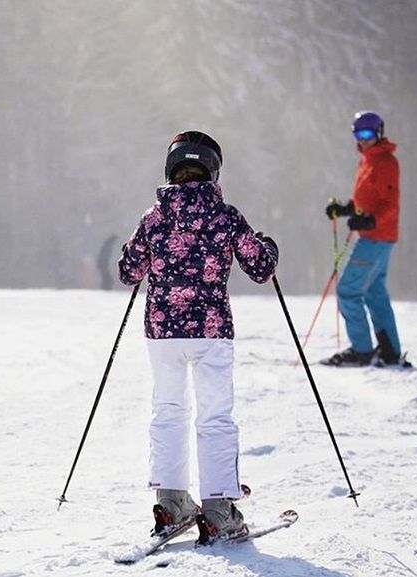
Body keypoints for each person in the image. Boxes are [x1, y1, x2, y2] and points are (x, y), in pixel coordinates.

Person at [118, 131, 279, 542]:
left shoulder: (153, 218)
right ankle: (219, 509)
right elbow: (260, 268)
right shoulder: (225, 216)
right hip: (210, 332)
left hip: (163, 332)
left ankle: (171, 504)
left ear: (171, 170)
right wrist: (267, 245)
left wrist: (139, 251)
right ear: (212, 169)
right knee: (214, 417)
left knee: (169, 411)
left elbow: (128, 272)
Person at [323, 111, 409, 367]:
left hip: (376, 237)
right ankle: (390, 351)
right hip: (378, 236)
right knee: (374, 292)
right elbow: (368, 200)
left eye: (368, 134)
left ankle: (361, 351)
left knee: (347, 291)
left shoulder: (385, 162)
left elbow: (389, 204)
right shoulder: (367, 161)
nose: (364, 140)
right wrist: (347, 209)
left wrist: (370, 221)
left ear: (379, 133)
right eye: (359, 135)